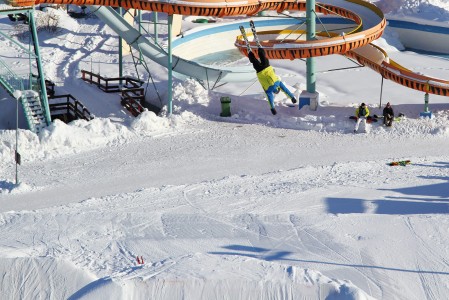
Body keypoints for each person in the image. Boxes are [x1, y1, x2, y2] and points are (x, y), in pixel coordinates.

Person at [248, 47, 296, 115]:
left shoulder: (274, 87)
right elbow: (285, 91)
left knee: (258, 58)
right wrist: (292, 98)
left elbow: (285, 91)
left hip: (265, 69)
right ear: (278, 90)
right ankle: (257, 50)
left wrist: (292, 98)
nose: (276, 91)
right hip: (262, 70)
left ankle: (256, 50)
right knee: (255, 59)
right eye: (277, 91)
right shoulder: (274, 87)